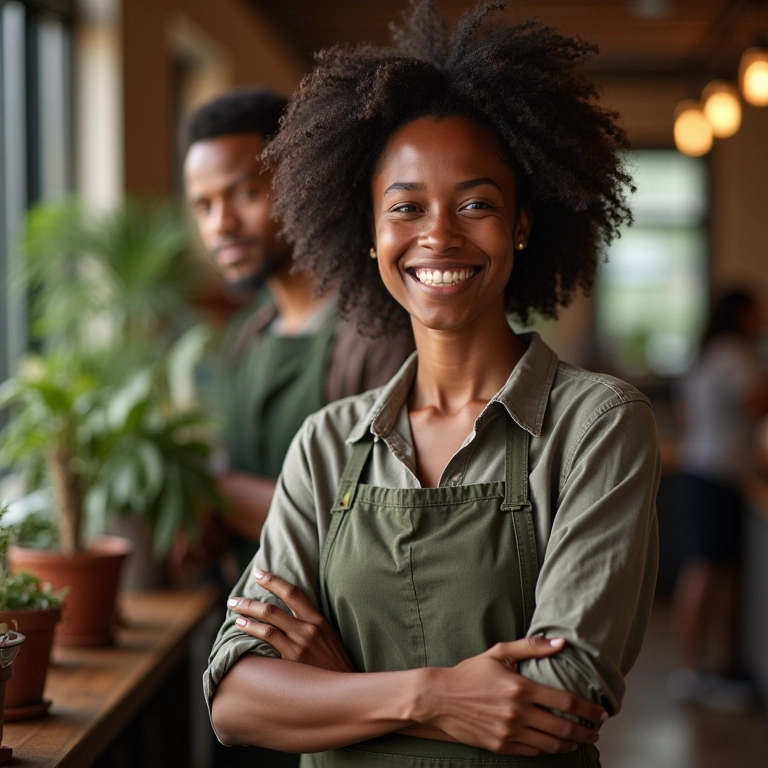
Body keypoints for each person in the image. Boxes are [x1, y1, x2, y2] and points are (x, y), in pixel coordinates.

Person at [204, 3, 660, 766]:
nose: (439, 235)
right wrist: (435, 696)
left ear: (521, 221)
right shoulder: (327, 442)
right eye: (406, 207)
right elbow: (237, 700)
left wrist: (337, 686)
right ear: (373, 233)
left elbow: (563, 695)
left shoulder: (597, 424)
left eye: (476, 203)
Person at [182, 87, 415, 575]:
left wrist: (219, 495)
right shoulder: (250, 334)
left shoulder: (380, 330)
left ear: (304, 182)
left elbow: (379, 521)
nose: (221, 225)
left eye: (245, 193)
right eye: (204, 206)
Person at [668, 288, 768, 712]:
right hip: (720, 472)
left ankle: (711, 666)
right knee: (709, 570)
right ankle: (696, 671)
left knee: (714, 570)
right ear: (742, 315)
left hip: (702, 467)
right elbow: (757, 406)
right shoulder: (736, 355)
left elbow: (685, 415)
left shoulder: (706, 354)